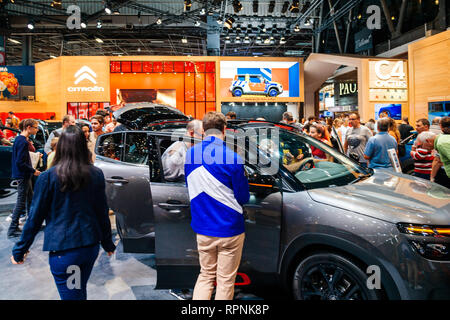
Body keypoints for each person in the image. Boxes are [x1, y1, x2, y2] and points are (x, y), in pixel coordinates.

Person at [10, 125, 116, 300]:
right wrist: (107, 243)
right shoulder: (95, 174)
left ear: (61, 147)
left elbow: (35, 218)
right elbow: (102, 212)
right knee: (77, 292)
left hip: (66, 252)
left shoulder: (48, 177)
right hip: (89, 247)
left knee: (74, 295)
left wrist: (20, 249)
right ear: (83, 146)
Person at [185, 111, 250, 300]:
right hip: (230, 229)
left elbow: (190, 185)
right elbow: (243, 197)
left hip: (203, 228)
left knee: (205, 276)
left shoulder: (190, 155)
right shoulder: (233, 158)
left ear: (203, 130)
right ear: (225, 129)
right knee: (225, 281)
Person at [7, 119, 41, 238]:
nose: (36, 130)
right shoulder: (22, 141)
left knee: (29, 199)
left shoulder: (19, 139)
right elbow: (20, 162)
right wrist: (33, 170)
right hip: (23, 175)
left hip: (24, 175)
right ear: (28, 127)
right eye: (35, 127)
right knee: (21, 202)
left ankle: (31, 224)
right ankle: (12, 229)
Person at [431, 117, 450, 188]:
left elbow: (437, 160)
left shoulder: (440, 140)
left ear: (440, 126)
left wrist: (432, 178)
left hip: (445, 173)